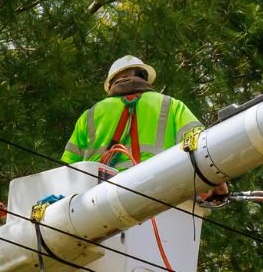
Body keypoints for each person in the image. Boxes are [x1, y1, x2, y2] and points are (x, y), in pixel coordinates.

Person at [62, 57, 218, 197]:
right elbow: (201, 145)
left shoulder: (89, 115)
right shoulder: (171, 105)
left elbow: (66, 172)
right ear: (144, 78)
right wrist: (215, 180)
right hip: (158, 195)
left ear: (111, 84)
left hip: (98, 204)